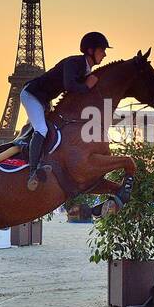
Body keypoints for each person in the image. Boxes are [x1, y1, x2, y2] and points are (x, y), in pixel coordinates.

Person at [20, 31, 109, 190]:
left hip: (44, 100)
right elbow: (69, 86)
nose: (105, 54)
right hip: (32, 95)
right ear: (90, 50)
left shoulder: (86, 70)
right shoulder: (74, 63)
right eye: (102, 50)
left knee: (53, 129)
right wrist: (87, 86)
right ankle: (33, 171)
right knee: (41, 129)